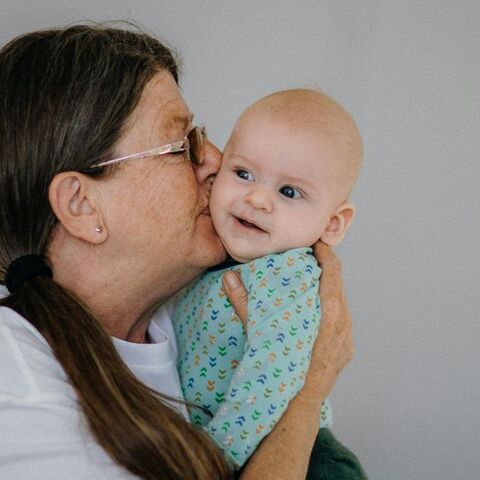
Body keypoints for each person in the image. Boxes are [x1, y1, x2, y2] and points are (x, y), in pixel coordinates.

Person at [0, 25, 355, 480]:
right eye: (182, 145)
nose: (217, 161)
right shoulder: (14, 371)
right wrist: (307, 395)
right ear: (82, 205)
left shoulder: (189, 317)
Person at [173, 90, 364, 472]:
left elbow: (271, 377)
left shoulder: (289, 275)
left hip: (299, 457)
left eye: (289, 191)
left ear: (332, 224)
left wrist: (212, 456)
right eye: (243, 174)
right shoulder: (216, 255)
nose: (257, 198)